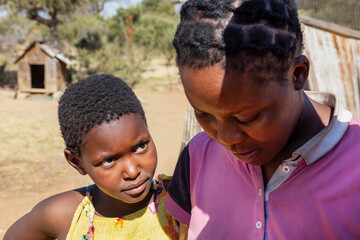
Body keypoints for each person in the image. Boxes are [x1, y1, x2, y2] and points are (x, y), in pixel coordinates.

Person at [164, 0, 360, 239]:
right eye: (204, 114)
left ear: (298, 75)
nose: (226, 139)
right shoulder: (197, 156)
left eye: (246, 117)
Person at [4, 74, 179, 240]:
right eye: (109, 160)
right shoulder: (64, 216)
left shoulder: (179, 198)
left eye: (141, 146)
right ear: (77, 163)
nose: (132, 171)